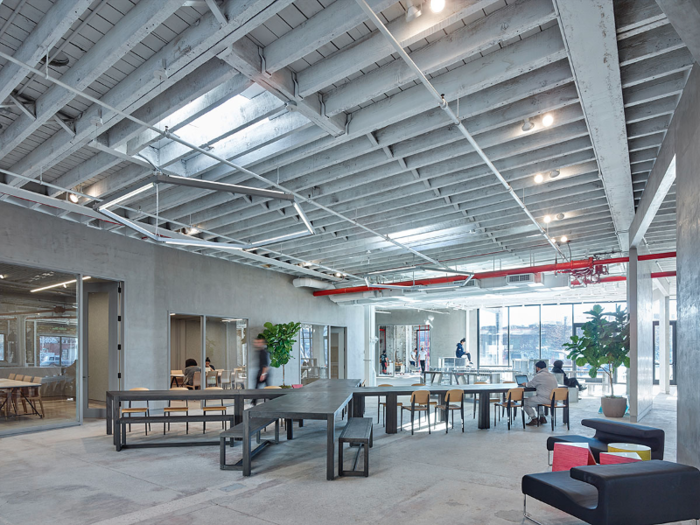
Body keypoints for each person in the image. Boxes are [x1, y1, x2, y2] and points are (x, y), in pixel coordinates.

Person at [522, 360, 559, 426]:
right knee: (536, 400)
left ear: (538, 368)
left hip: (546, 399)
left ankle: (534, 419)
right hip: (554, 399)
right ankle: (542, 417)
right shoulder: (552, 375)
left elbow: (531, 385)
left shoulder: (539, 376)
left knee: (525, 402)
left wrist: (525, 384)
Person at [253, 336, 270, 405]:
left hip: (263, 373)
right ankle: (254, 401)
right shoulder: (260, 352)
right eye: (256, 342)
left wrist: (263, 374)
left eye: (259, 342)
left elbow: (265, 365)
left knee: (267, 389)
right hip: (262, 372)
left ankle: (254, 401)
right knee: (259, 388)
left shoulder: (263, 352)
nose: (257, 344)